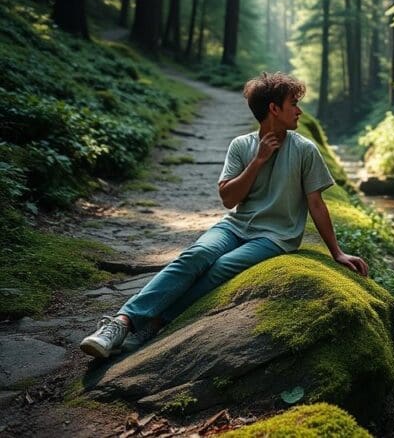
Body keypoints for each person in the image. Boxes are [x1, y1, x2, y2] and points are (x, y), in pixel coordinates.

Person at [80, 72, 368, 359]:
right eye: (294, 103)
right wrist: (258, 161)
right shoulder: (241, 146)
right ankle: (121, 324)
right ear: (273, 109)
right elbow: (229, 199)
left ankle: (155, 321)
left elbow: (316, 204)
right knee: (195, 256)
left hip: (275, 237)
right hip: (235, 226)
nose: (299, 110)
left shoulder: (305, 149)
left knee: (221, 268)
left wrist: (337, 252)